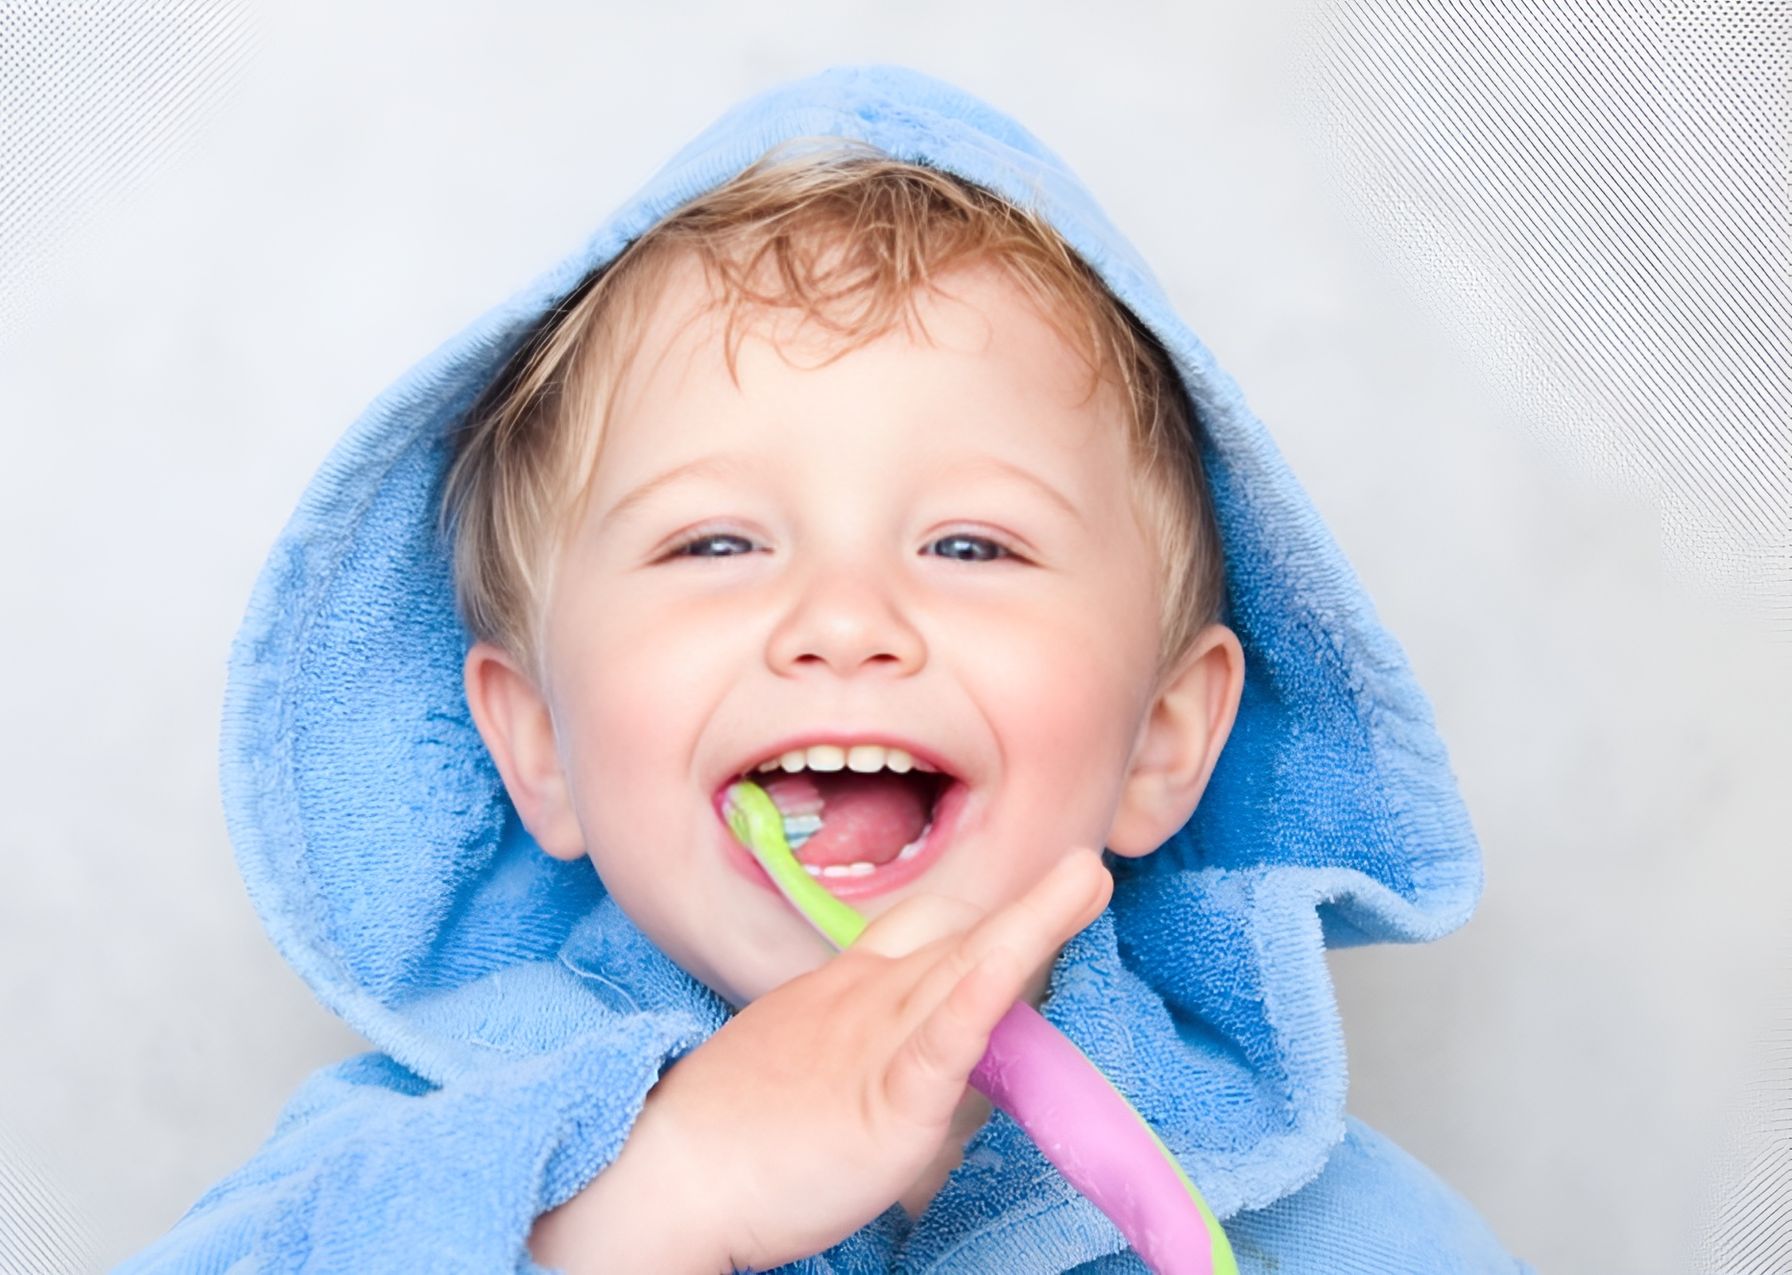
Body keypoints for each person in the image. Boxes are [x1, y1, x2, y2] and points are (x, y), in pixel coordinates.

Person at [115, 64, 1531, 1273]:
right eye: (717, 542)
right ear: (538, 742)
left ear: (1162, 739)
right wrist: (655, 1203)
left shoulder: (1329, 1228)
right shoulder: (390, 1174)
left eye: (970, 545)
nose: (844, 621)